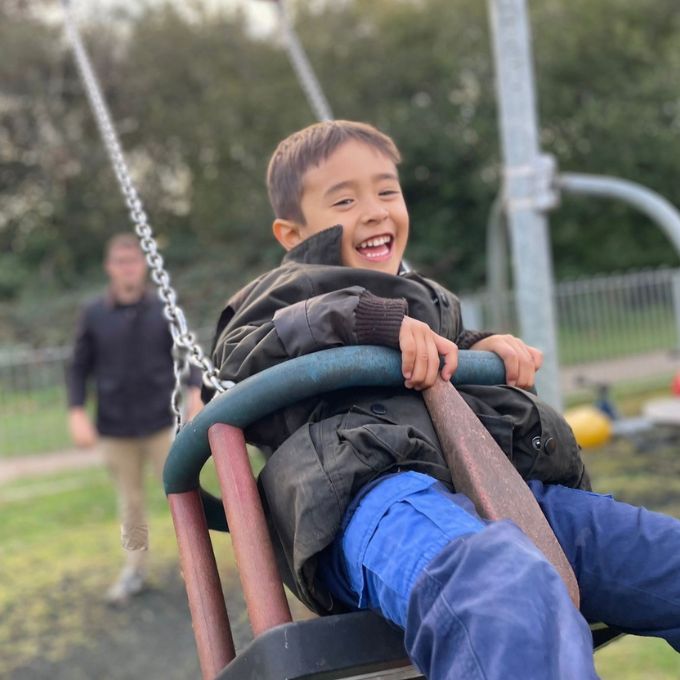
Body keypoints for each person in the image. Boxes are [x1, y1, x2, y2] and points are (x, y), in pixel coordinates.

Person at [205, 121, 680, 678]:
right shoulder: (279, 296)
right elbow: (243, 351)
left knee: (663, 557)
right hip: (373, 500)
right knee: (500, 590)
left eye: (387, 191)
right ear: (290, 234)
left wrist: (478, 346)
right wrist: (368, 319)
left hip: (497, 490)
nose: (377, 210)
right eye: (345, 199)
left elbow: (443, 353)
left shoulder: (426, 297)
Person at [67, 233, 202, 605]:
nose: (128, 268)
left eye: (134, 260)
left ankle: (196, 566)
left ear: (144, 265)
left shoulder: (164, 307)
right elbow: (78, 368)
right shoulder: (93, 314)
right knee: (131, 504)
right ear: (110, 267)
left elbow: (189, 356)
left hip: (161, 422)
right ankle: (136, 569)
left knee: (182, 495)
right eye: (120, 262)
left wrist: (195, 394)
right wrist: (76, 411)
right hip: (114, 427)